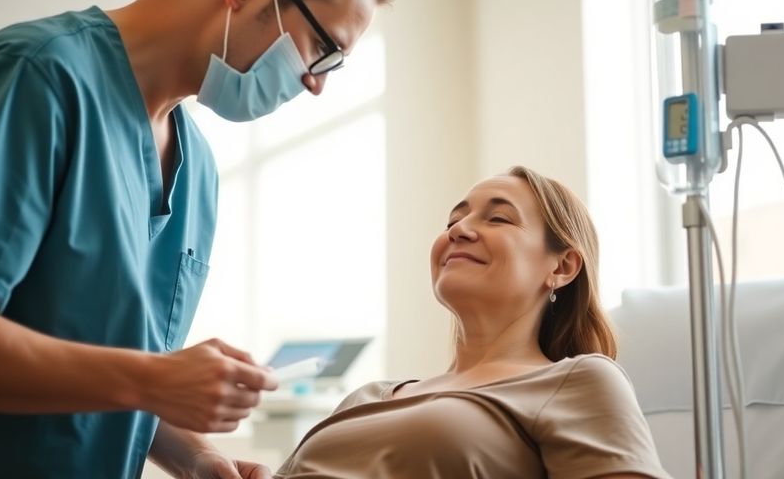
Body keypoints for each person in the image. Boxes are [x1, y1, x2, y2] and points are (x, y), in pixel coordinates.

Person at [0, 0, 395, 477]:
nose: (317, 83)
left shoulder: (199, 170)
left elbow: (105, 368)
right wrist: (150, 380)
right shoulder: (34, 78)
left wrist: (196, 457)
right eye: (323, 47)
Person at [274, 166, 671, 479]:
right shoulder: (368, 396)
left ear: (562, 266)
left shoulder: (577, 381)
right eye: (451, 222)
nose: (459, 231)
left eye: (498, 218)